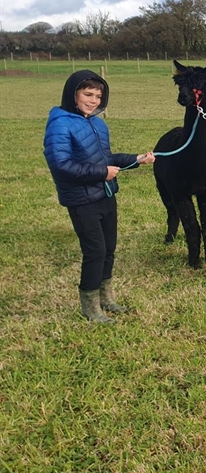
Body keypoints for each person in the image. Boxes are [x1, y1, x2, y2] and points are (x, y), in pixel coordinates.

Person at [43, 70, 155, 324]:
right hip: (81, 200)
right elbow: (61, 165)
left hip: (105, 195)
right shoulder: (60, 124)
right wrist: (102, 172)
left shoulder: (97, 123)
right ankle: (90, 307)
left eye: (98, 96)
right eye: (88, 94)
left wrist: (136, 160)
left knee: (109, 249)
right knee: (95, 251)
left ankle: (106, 298)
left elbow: (108, 159)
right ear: (73, 94)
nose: (93, 100)